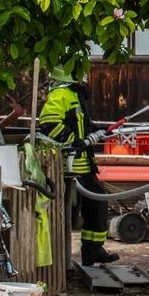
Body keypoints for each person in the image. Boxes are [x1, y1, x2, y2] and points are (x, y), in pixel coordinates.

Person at [38, 69, 119, 266]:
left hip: (83, 165)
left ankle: (93, 250)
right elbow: (48, 123)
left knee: (98, 205)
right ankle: (71, 257)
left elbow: (79, 124)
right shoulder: (60, 94)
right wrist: (74, 141)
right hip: (69, 167)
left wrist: (95, 131)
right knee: (75, 212)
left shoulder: (74, 95)